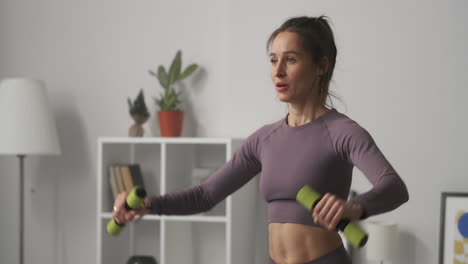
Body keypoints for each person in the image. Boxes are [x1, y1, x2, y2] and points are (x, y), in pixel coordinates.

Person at [113, 15, 409, 264]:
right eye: (273, 60)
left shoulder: (342, 132)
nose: (277, 71)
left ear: (321, 66)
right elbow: (206, 195)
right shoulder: (264, 139)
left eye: (290, 60)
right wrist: (148, 204)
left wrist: (354, 207)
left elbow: (394, 187)